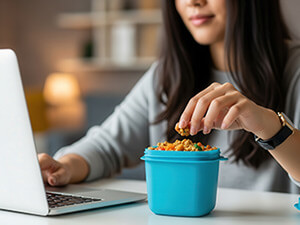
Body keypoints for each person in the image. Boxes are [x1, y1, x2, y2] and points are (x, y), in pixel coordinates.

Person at [39, 0, 300, 193]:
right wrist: (63, 167)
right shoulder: (166, 75)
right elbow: (107, 145)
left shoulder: (295, 70)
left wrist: (270, 126)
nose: (193, 3)